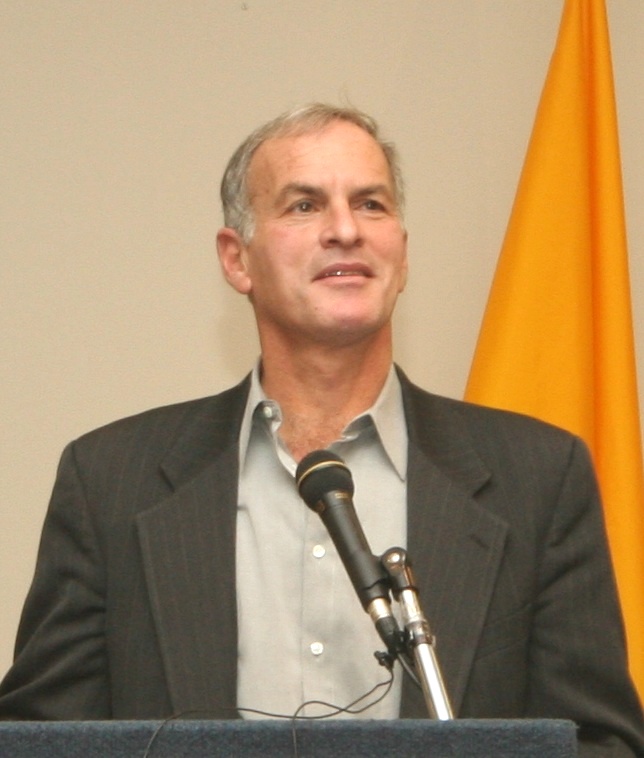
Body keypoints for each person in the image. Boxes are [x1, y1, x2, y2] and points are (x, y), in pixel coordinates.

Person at [0, 103, 643, 755]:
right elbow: (43, 742)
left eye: (371, 204)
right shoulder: (110, 482)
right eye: (304, 206)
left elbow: (600, 744)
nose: (345, 230)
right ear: (236, 259)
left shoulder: (537, 477)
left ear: (402, 253)